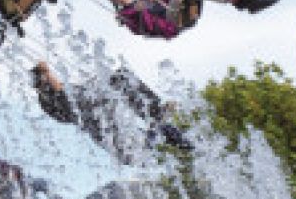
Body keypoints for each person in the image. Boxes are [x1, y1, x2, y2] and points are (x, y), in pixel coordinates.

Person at [32, 61, 193, 154]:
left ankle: (162, 120)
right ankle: (162, 120)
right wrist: (44, 73)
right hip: (129, 147)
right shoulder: (61, 102)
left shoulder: (73, 102)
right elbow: (59, 90)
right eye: (50, 78)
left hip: (129, 144)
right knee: (121, 79)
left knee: (121, 78)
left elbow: (62, 89)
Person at [106, 0, 278, 40]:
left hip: (187, 12)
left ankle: (248, 1)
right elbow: (147, 30)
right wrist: (141, 12)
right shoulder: (127, 15)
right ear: (116, 2)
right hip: (175, 22)